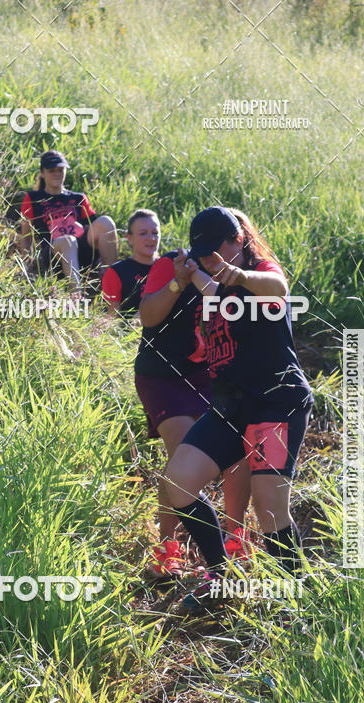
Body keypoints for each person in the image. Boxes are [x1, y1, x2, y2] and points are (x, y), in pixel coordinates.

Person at [163, 206, 313, 611]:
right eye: (205, 252)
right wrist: (191, 273)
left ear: (239, 240)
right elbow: (216, 295)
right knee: (178, 481)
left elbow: (278, 287)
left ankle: (294, 605)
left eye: (218, 249)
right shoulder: (218, 283)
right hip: (231, 406)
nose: (214, 257)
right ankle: (222, 579)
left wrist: (242, 275)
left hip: (275, 403)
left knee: (269, 505)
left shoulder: (258, 268)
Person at [137, 230, 252, 578]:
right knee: (183, 451)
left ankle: (235, 538)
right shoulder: (171, 264)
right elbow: (148, 316)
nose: (216, 259)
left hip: (207, 377)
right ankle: (168, 548)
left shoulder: (239, 278)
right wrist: (178, 281)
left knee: (236, 453)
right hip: (162, 375)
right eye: (210, 252)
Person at [19, 150, 118, 290]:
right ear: (42, 173)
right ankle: (76, 295)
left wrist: (101, 260)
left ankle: (111, 281)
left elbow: (93, 228)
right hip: (52, 254)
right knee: (67, 240)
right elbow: (26, 235)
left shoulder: (78, 198)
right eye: (51, 170)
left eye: (60, 169)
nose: (57, 173)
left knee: (105, 222)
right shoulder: (33, 198)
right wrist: (27, 266)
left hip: (81, 251)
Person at [101, 209, 160, 318]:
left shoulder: (170, 266)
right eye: (143, 233)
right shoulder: (116, 272)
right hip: (133, 331)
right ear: (129, 238)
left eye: (155, 233)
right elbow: (114, 320)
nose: (151, 238)